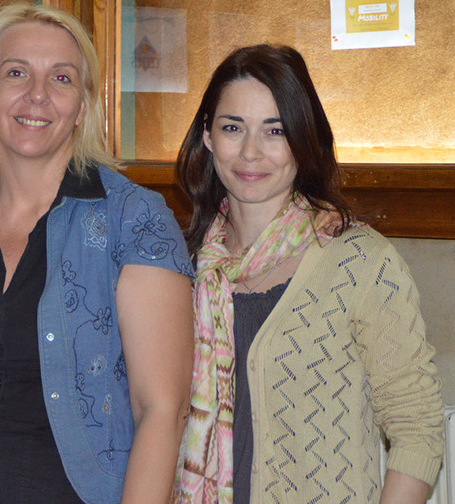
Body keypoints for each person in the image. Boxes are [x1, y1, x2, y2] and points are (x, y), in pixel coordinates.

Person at [0, 2, 195, 504]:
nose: (37, 94)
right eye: (16, 72)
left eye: (61, 78)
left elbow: (162, 410)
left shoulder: (133, 219)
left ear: (82, 106)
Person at [173, 44, 444, 504]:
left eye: (275, 130)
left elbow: (418, 430)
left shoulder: (359, 263)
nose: (251, 151)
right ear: (207, 136)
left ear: (304, 140)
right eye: (232, 127)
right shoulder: (181, 268)